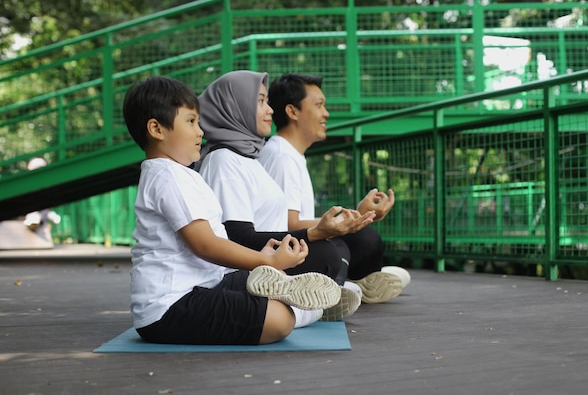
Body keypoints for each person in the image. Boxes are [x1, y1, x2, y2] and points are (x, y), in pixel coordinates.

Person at [122, 75, 341, 345]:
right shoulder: (167, 177)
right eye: (191, 121)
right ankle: (306, 308)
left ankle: (297, 299)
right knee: (279, 321)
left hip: (207, 284)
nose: (200, 131)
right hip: (169, 306)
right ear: (157, 129)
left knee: (270, 280)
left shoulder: (180, 173)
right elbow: (206, 245)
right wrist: (266, 261)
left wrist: (263, 258)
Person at [196, 70, 366, 323]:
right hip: (250, 267)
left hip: (272, 259)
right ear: (235, 106)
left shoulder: (249, 158)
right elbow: (237, 236)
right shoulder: (224, 161)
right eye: (260, 101)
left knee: (340, 247)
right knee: (327, 253)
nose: (270, 110)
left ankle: (314, 296)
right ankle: (310, 304)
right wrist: (313, 233)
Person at [259, 72, 411, 303]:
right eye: (319, 105)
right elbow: (288, 225)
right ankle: (341, 287)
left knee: (364, 238)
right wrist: (353, 219)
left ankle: (353, 284)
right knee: (347, 243)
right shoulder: (282, 157)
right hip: (281, 250)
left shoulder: (290, 154)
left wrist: (358, 217)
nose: (326, 113)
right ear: (292, 111)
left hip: (295, 242)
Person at [23, 157, 62, 243]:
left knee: (45, 206)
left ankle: (43, 217)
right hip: (31, 210)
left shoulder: (47, 183)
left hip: (41, 211)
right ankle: (38, 217)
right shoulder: (28, 184)